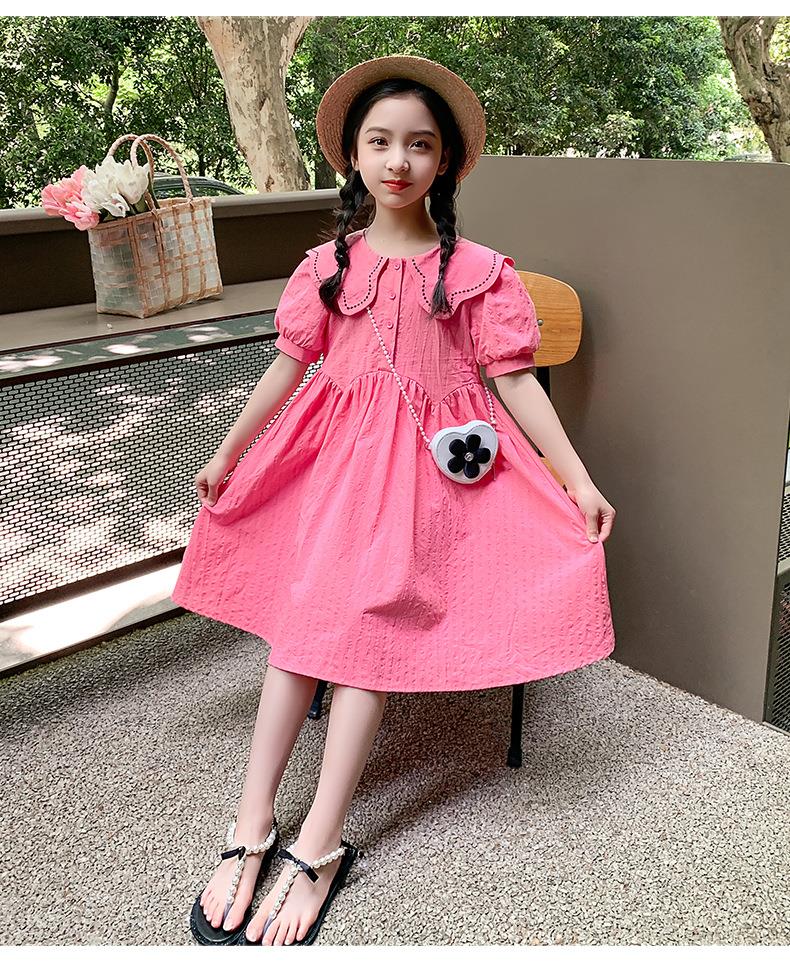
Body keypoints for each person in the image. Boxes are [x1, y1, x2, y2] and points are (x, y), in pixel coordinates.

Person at [171, 54, 617, 948]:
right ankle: (251, 826)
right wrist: (228, 452)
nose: (398, 161)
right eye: (380, 142)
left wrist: (575, 477)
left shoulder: (479, 271)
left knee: (366, 634)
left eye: (419, 145)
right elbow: (289, 367)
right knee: (303, 631)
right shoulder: (328, 265)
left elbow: (513, 380)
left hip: (428, 482)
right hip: (333, 471)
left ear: (445, 161)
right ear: (353, 155)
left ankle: (320, 842)